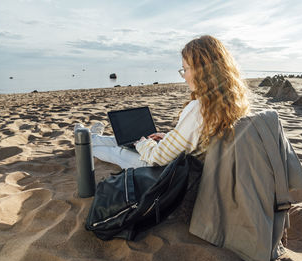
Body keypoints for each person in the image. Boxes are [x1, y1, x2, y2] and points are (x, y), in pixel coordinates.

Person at [75, 35, 250, 169]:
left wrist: (143, 144)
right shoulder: (231, 103)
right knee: (124, 140)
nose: (184, 76)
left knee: (119, 150)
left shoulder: (199, 108)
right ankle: (90, 136)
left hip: (165, 170)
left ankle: (84, 142)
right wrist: (168, 138)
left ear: (202, 71)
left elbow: (157, 157)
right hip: (187, 160)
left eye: (186, 69)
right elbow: (196, 140)